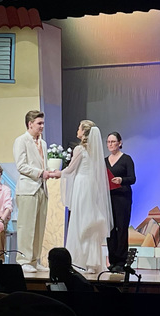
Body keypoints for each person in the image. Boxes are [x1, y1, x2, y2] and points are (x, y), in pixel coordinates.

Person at [61, 120, 113, 274]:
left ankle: (79, 261)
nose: (77, 130)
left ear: (84, 132)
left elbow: (70, 170)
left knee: (80, 221)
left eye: (79, 128)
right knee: (90, 221)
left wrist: (54, 173)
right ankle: (92, 262)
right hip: (92, 186)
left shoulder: (79, 149)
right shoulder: (95, 151)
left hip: (82, 186)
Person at [13, 110, 60, 273]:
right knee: (26, 226)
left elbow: (42, 165)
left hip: (41, 188)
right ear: (30, 124)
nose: (41, 126)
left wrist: (50, 172)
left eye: (42, 123)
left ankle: (34, 260)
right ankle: (23, 259)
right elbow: (21, 166)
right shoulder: (21, 141)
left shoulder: (43, 143)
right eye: (39, 123)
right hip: (28, 189)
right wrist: (41, 173)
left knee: (39, 226)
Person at [105, 131, 136, 273]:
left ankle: (121, 261)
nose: (110, 144)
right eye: (108, 142)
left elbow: (132, 178)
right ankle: (112, 260)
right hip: (108, 197)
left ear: (120, 143)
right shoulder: (105, 161)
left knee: (121, 229)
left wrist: (121, 180)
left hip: (122, 198)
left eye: (113, 141)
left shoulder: (126, 159)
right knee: (110, 229)